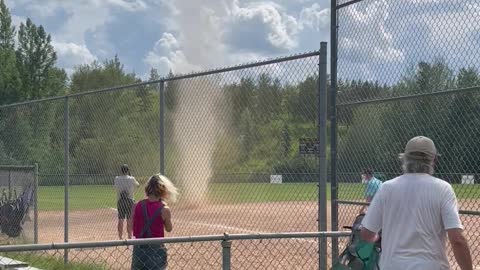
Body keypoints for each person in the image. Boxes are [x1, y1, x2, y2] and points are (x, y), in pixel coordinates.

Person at [360, 136, 472, 270]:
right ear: (434, 160)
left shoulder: (387, 187)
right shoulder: (443, 188)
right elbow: (457, 240)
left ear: (405, 159)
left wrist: (380, 240)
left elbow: (367, 234)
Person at [131, 174, 178, 270]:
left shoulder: (137, 205)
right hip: (156, 249)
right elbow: (169, 229)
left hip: (139, 248)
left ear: (147, 189)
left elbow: (132, 226)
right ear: (163, 190)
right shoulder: (164, 209)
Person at [114, 164, 139, 240]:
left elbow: (115, 187)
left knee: (121, 219)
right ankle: (129, 237)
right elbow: (138, 185)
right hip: (130, 200)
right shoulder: (132, 179)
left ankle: (120, 237)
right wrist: (131, 177)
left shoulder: (117, 178)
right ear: (127, 170)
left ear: (121, 170)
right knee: (129, 219)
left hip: (120, 200)